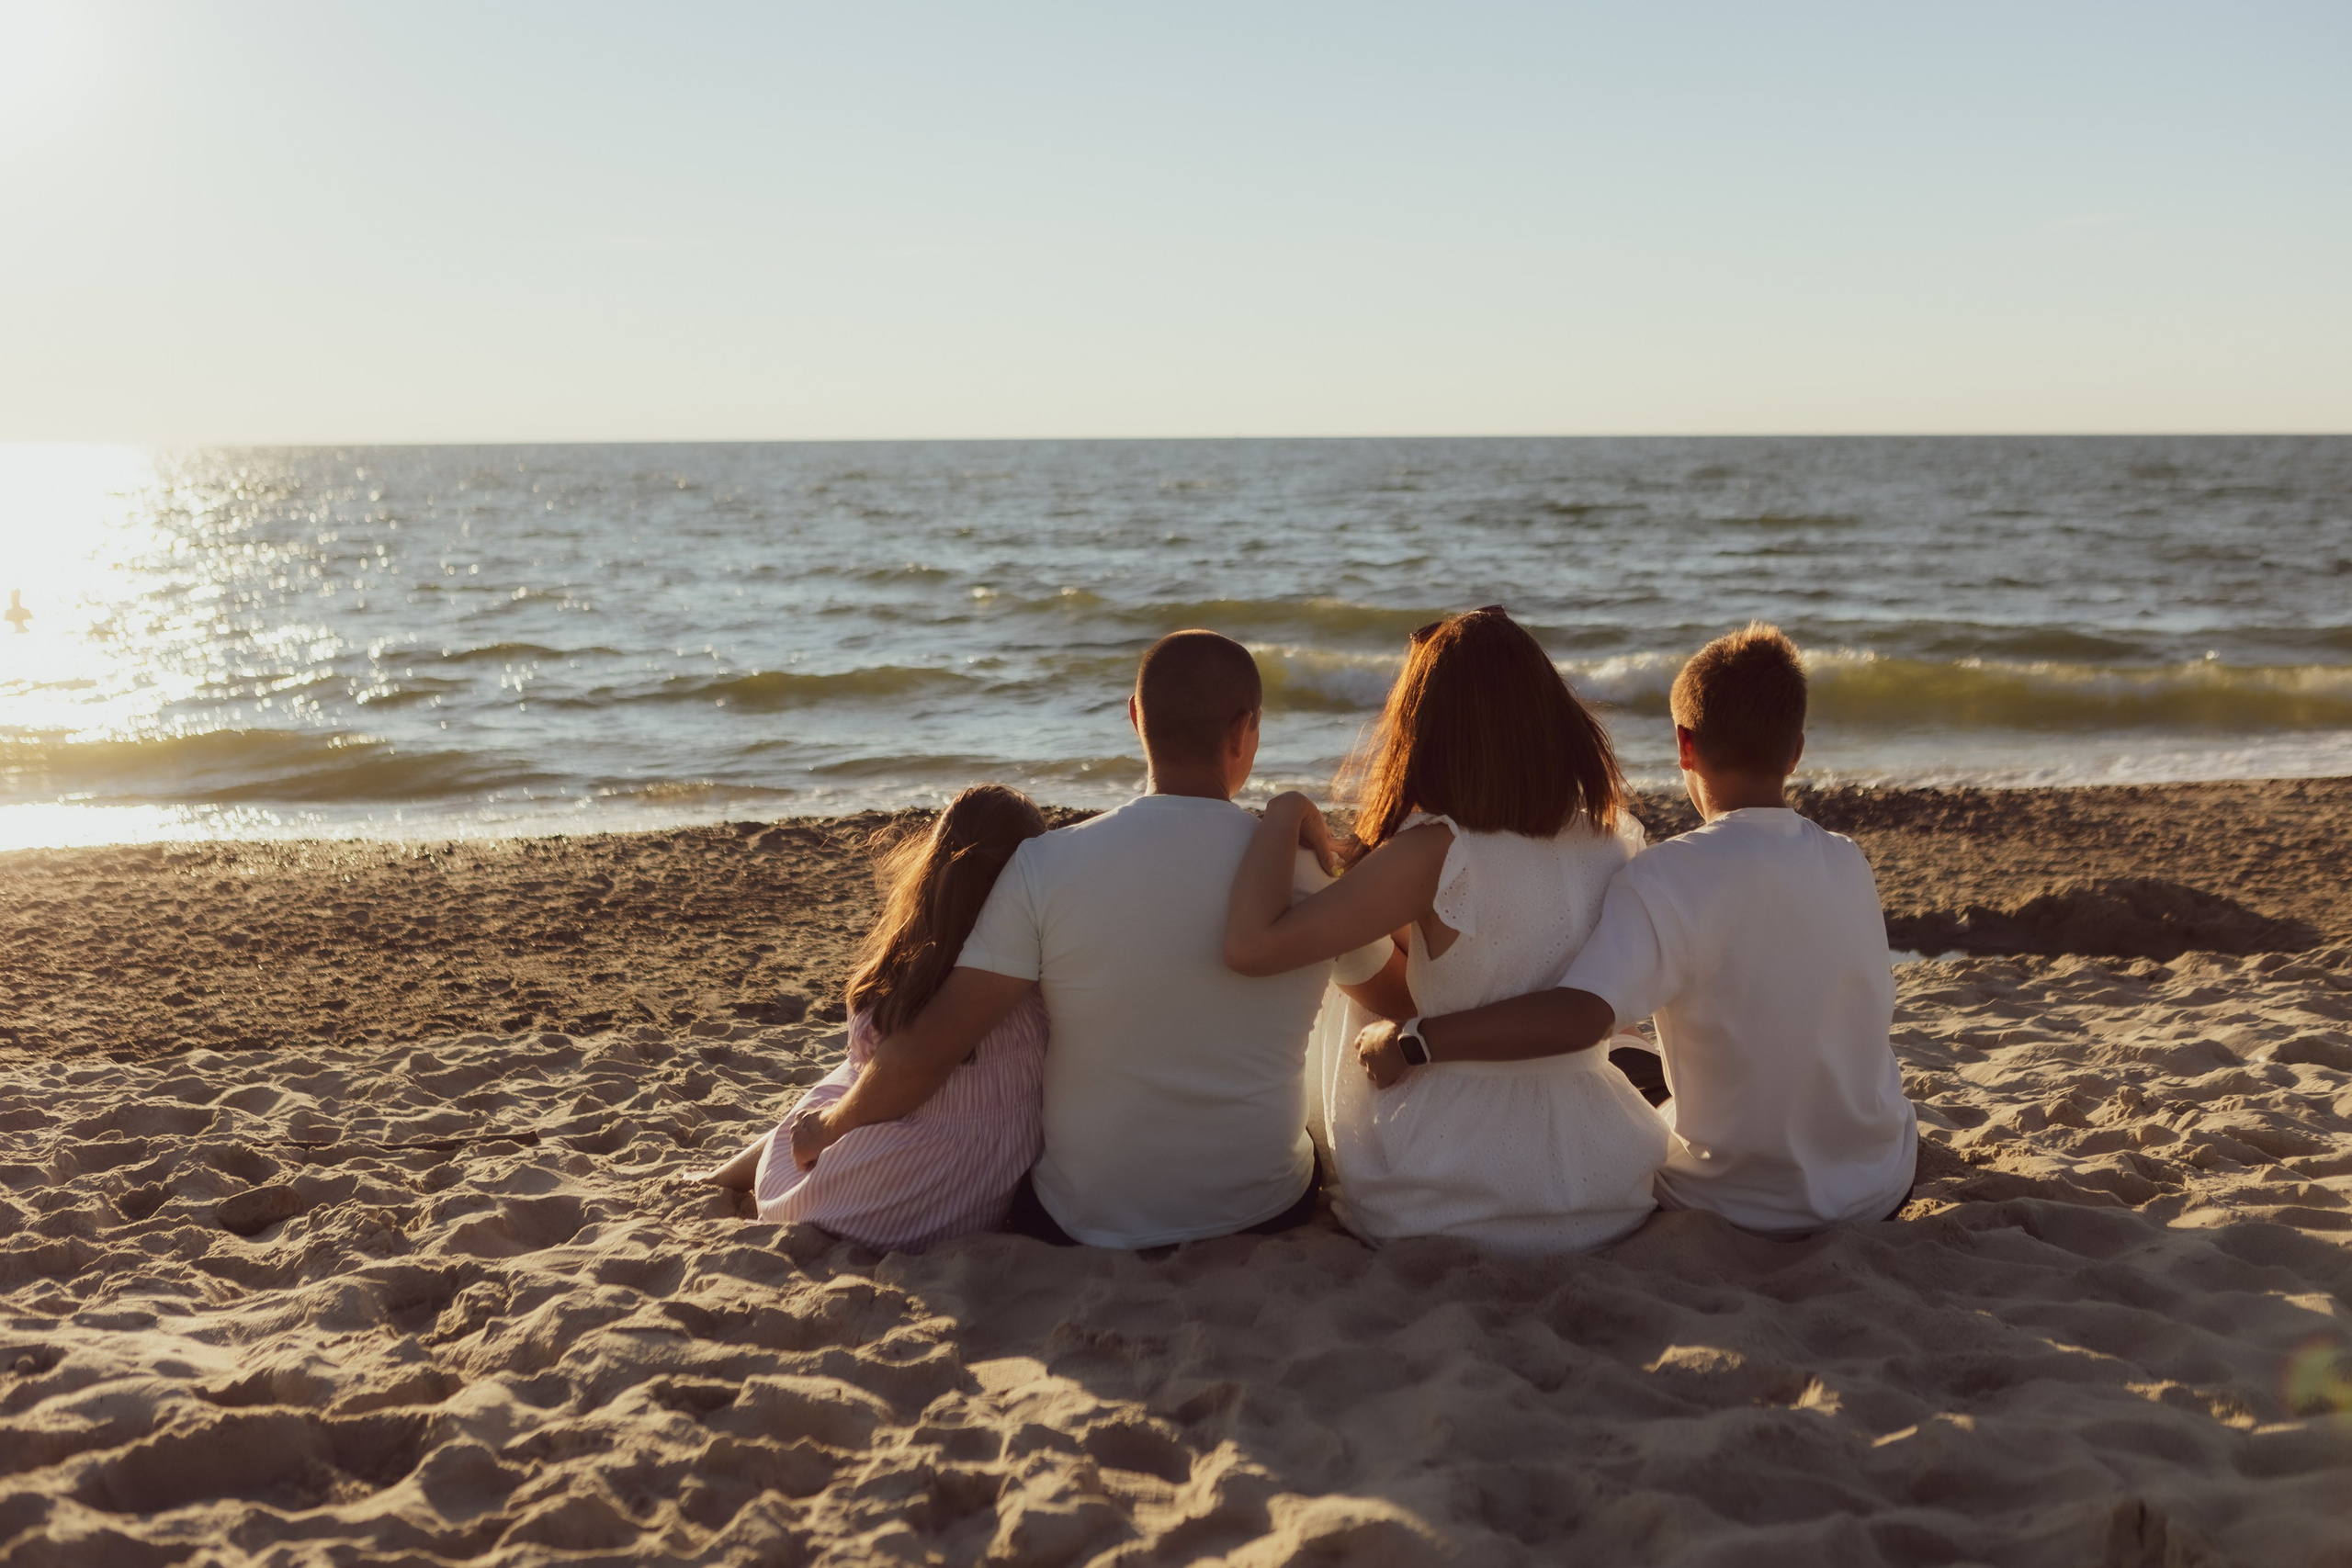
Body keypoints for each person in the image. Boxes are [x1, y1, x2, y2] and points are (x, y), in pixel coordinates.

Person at [816, 629, 1390, 1249]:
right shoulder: (1311, 875)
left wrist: (827, 1126)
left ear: (1135, 716)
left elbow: (927, 1051)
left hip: (1080, 1222)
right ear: (1245, 730)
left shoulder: (1045, 865)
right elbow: (1395, 997)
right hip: (1264, 1207)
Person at [1356, 623, 1918, 1236]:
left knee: (1627, 1074)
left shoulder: (1668, 876)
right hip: (1879, 1181)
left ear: (1684, 745)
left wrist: (1416, 1039)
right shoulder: (1847, 858)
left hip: (1736, 1201)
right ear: (1796, 751)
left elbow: (1578, 1019)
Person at [1224, 607, 1668, 1252]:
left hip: (1450, 1188)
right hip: (1599, 1178)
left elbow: (1251, 946)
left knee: (1346, 952)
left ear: (1429, 729)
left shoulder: (1438, 852)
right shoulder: (1609, 838)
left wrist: (1285, 812)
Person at [697, 784, 1050, 1251]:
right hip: (973, 1196)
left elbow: (894, 1071)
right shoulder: (1041, 975)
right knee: (858, 1074)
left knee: (850, 1072)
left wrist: (826, 1125)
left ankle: (725, 1177)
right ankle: (727, 1174)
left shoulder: (904, 977)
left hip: (848, 1200)